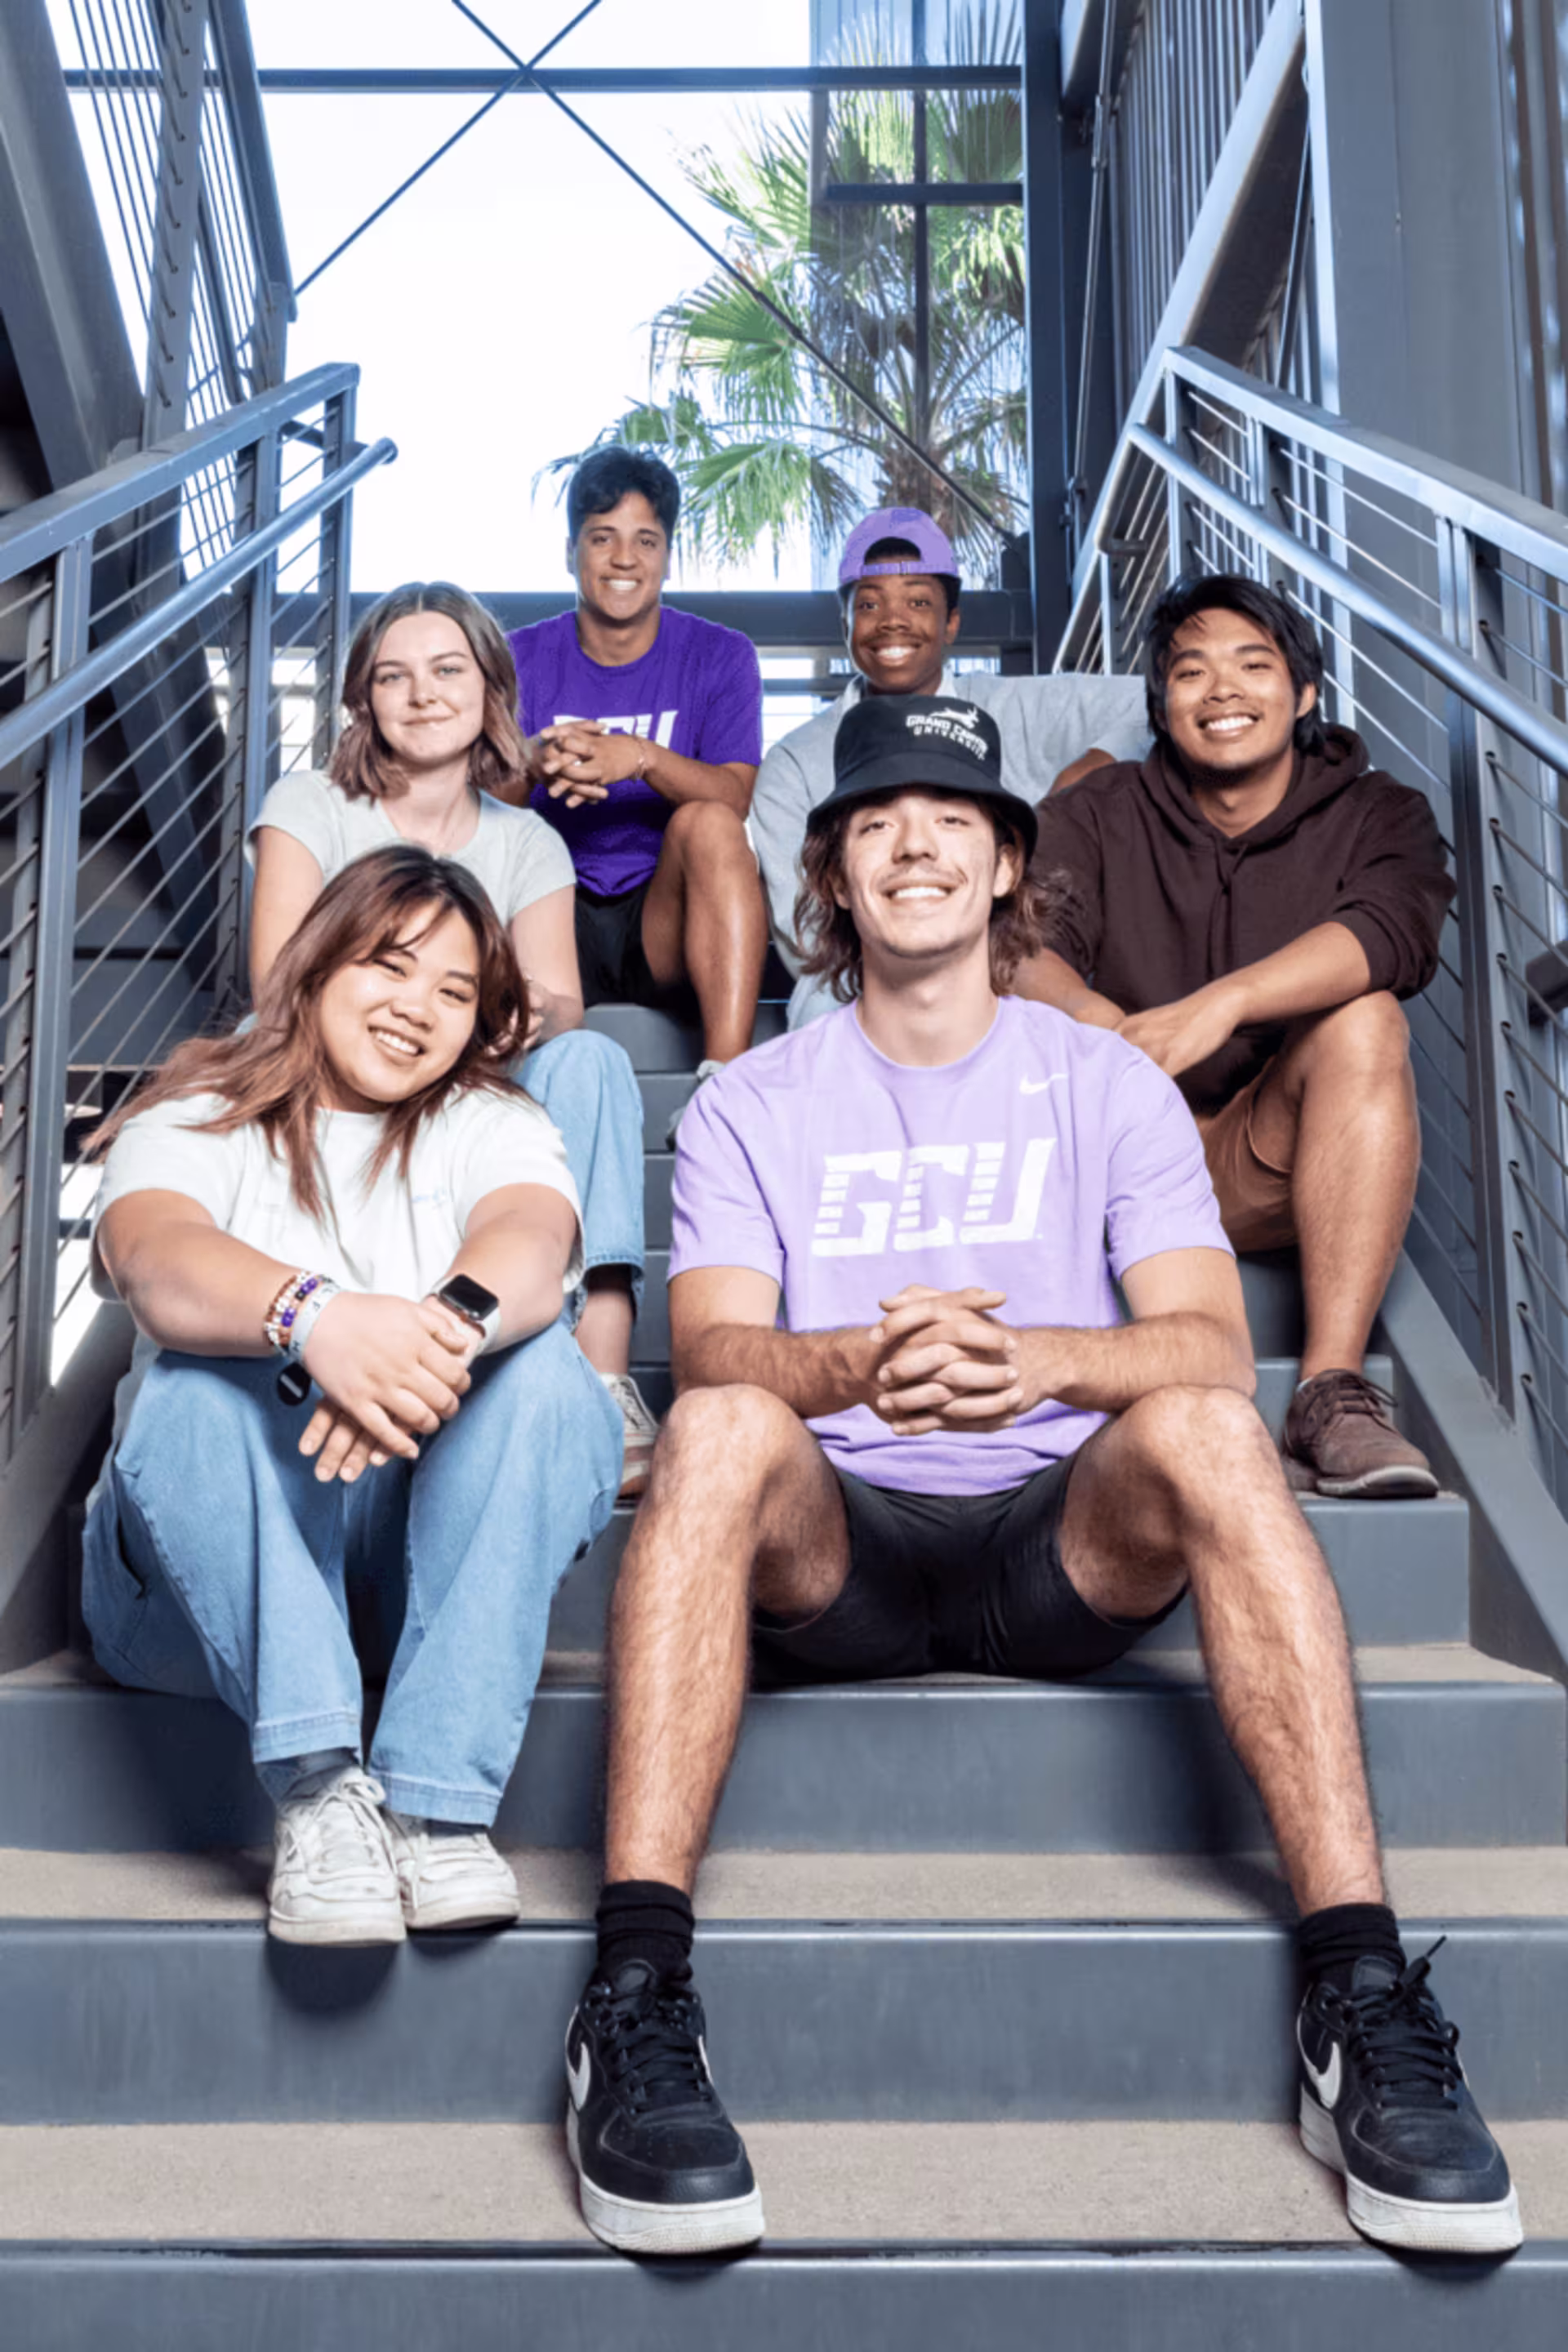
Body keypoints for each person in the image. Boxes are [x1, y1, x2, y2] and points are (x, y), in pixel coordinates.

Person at [559, 694, 1518, 2261]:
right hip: (840, 1548)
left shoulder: (1108, 1086)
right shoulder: (749, 1101)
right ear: (834, 874)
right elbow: (724, 1355)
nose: (916, 844)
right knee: (725, 1428)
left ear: (1010, 867)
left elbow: (1209, 1348)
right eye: (877, 822)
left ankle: (1358, 1992)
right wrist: (856, 1367)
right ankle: (636, 1990)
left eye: (953, 819)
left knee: (1209, 1430)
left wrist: (1045, 1365)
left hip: (1051, 1544)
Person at [82, 848, 622, 1944]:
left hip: (392, 1564)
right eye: (390, 964)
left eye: (456, 991)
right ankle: (321, 1789)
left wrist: (426, 1342)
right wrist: (318, 1320)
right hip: (191, 1597)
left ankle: (434, 1809)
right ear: (321, 963)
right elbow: (156, 1254)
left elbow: (529, 1236)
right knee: (192, 1392)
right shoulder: (199, 1115)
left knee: (554, 1379)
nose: (418, 1007)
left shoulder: (493, 1122)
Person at [1017, 571, 1454, 1499]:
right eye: (1191, 672)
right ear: (1162, 703)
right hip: (1119, 1153)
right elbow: (1015, 948)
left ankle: (1330, 1392)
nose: (1221, 691)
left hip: (1268, 1150)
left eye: (1254, 665)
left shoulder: (1379, 813)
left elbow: (1391, 933)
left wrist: (1223, 1003)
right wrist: (1098, 1022)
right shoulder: (1097, 811)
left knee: (1366, 1017)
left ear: (1302, 695)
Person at [249, 581, 657, 1494]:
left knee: (587, 1058)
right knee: (252, 1035)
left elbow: (563, 1002)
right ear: (363, 697)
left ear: (490, 692)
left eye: (446, 670)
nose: (423, 693)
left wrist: (520, 1015)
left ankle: (601, 1376)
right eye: (394, 675)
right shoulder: (311, 803)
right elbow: (280, 983)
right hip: (343, 1067)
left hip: (474, 1072)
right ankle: (309, 1326)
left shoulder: (526, 842)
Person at [749, 505, 1152, 1029]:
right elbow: (808, 939)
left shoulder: (1015, 710)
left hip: (1013, 961)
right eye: (869, 604)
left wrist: (1066, 798)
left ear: (951, 623)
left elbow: (1152, 703)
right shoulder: (794, 764)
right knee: (823, 1004)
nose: (892, 619)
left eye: (918, 601)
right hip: (865, 973)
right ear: (845, 623)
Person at [509, 448, 767, 1134]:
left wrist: (639, 759)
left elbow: (735, 796)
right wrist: (532, 763)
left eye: (645, 540)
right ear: (572, 553)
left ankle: (725, 1088)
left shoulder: (720, 653)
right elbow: (472, 807)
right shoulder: (518, 657)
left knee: (708, 823)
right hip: (552, 915)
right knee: (491, 838)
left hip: (664, 922)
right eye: (603, 537)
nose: (624, 559)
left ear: (667, 557)